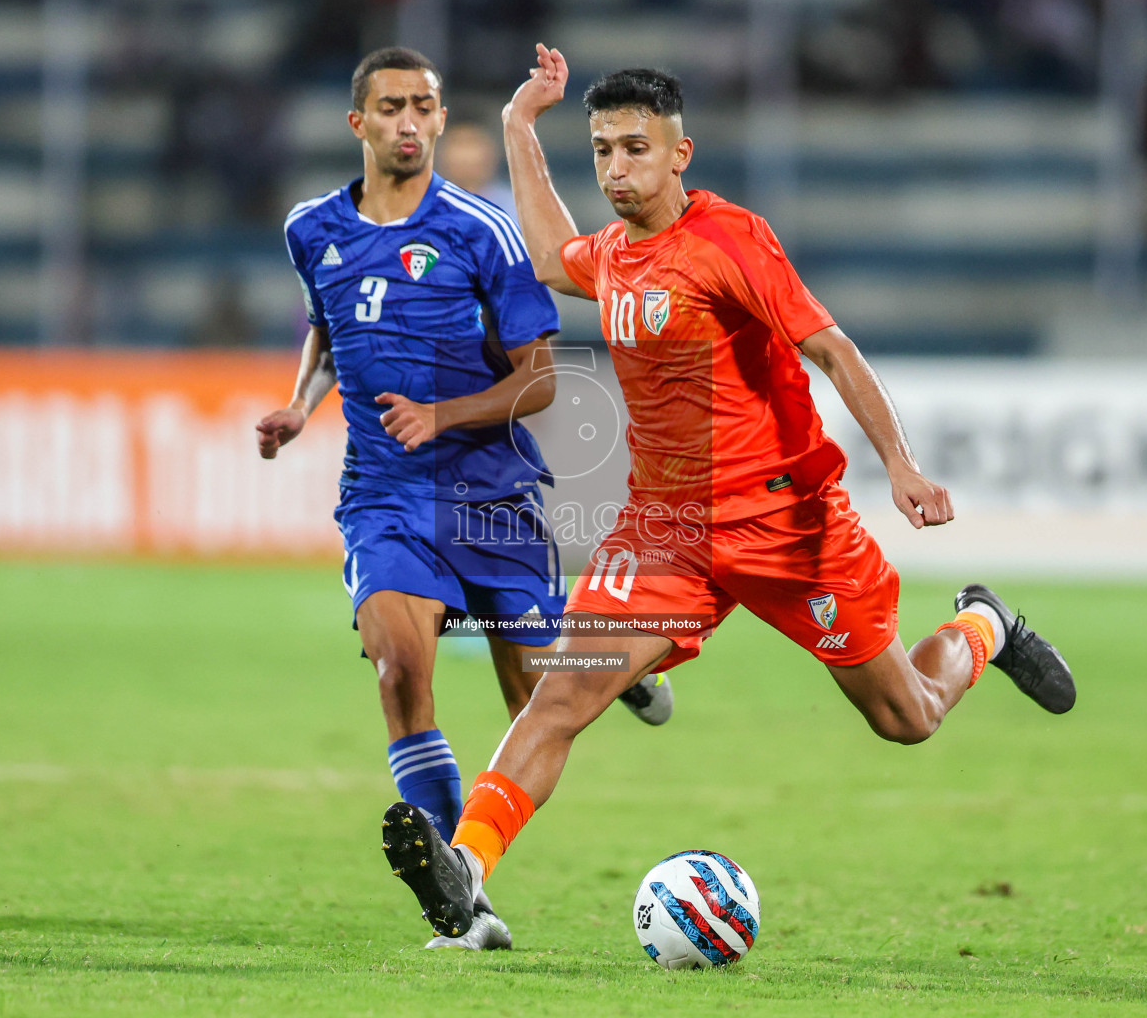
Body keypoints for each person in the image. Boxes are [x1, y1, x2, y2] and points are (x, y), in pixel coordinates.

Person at [380, 46, 1076, 943]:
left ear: (681, 154)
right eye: (601, 151)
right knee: (564, 690)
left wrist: (901, 465)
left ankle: (985, 625)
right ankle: (464, 875)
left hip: (789, 524)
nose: (616, 168)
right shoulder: (620, 255)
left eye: (634, 148)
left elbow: (833, 351)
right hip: (664, 532)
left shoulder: (729, 242)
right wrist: (520, 125)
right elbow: (554, 257)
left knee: (907, 717)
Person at [255, 47, 662, 951]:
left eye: (426, 107)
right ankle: (461, 899)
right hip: (385, 496)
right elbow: (330, 327)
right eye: (393, 106)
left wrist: (443, 415)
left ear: (440, 122)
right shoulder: (311, 229)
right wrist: (300, 403)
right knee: (401, 669)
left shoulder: (485, 233)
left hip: (492, 499)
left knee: (537, 694)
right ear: (358, 123)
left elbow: (543, 381)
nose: (412, 121)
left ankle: (615, 661)